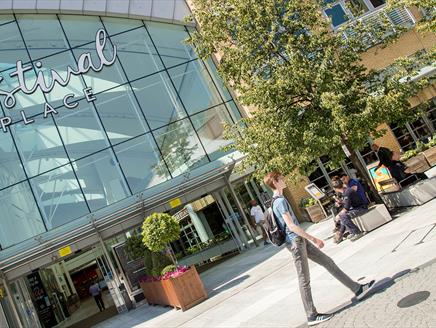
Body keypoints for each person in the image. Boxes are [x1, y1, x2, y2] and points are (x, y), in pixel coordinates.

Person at [264, 171, 375, 326]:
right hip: (296, 242)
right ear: (275, 182)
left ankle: (357, 289)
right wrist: (313, 238)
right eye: (281, 178)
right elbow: (291, 225)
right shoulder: (279, 201)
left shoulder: (278, 200)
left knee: (328, 262)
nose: (283, 179)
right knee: (304, 279)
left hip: (300, 241)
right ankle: (311, 316)